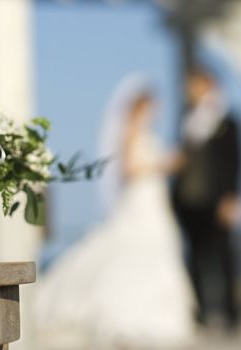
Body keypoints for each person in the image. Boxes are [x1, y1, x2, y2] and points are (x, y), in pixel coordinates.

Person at [36, 75, 196, 350]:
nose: (154, 112)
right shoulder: (131, 131)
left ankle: (158, 315)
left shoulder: (147, 134)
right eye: (150, 107)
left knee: (153, 254)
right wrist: (164, 164)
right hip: (140, 200)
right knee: (133, 252)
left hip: (153, 202)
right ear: (139, 107)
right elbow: (130, 170)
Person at [171, 66, 241, 331]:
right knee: (195, 256)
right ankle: (200, 312)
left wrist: (233, 197)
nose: (189, 90)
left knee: (225, 256)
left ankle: (232, 313)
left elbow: (238, 162)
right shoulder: (186, 120)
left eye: (194, 85)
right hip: (189, 200)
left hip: (218, 200)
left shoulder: (229, 122)